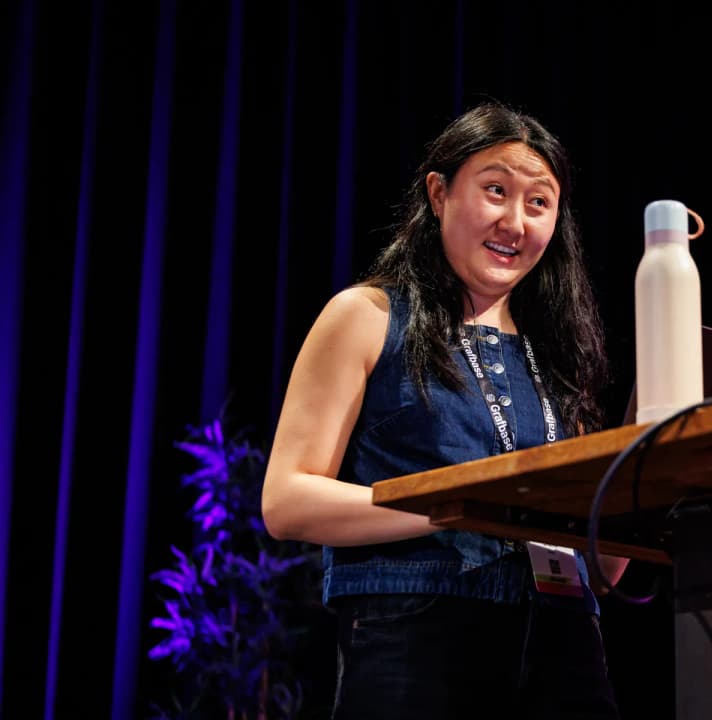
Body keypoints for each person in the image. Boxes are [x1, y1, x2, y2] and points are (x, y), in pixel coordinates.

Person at [262, 101, 629, 719]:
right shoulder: (368, 317)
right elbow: (287, 500)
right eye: (495, 190)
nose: (515, 222)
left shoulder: (560, 351)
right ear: (439, 194)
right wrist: (457, 505)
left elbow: (605, 569)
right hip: (416, 638)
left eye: (539, 202)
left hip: (563, 645)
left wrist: (643, 482)